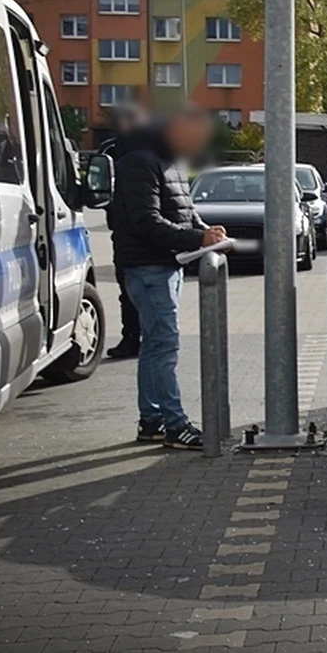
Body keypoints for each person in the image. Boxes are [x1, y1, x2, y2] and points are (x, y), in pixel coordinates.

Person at [111, 107, 226, 449]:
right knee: (164, 346)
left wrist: (206, 231)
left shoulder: (169, 163)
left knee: (154, 345)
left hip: (166, 265)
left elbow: (184, 210)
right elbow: (146, 220)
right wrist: (196, 239)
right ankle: (175, 425)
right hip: (148, 268)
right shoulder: (138, 162)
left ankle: (152, 421)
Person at [102, 103, 148, 359]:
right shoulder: (159, 149)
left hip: (127, 233)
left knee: (130, 291)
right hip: (137, 233)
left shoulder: (113, 150)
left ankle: (133, 338)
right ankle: (140, 337)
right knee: (134, 291)